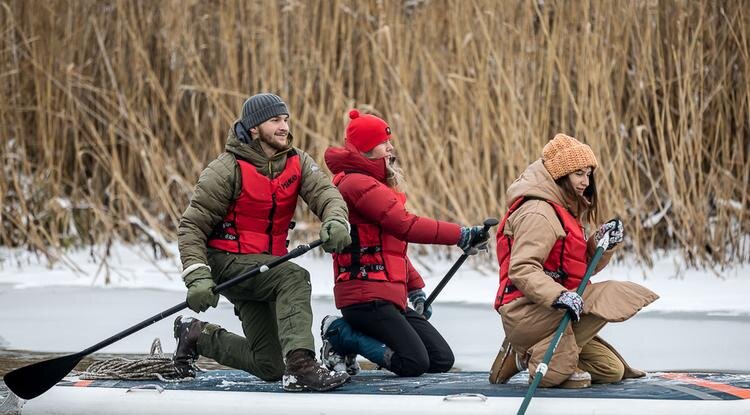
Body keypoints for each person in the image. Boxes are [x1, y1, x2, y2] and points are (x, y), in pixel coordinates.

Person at [173, 93, 353, 392]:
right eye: (275, 121)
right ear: (254, 128)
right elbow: (192, 226)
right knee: (294, 277)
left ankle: (195, 335)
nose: (284, 127)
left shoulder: (297, 161)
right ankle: (302, 368)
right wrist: (197, 274)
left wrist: (335, 220)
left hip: (266, 268)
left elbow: (326, 194)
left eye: (285, 120)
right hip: (227, 263)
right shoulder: (225, 169)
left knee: (269, 365)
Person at [318, 109, 490, 377]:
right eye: (383, 142)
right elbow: (406, 225)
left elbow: (390, 247)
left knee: (440, 359)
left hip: (386, 295)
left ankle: (354, 335)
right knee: (414, 362)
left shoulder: (373, 185)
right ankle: (340, 333)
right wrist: (461, 234)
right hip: (365, 296)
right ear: (366, 148)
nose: (390, 147)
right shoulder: (356, 184)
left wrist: (415, 289)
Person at [489, 133, 659, 388]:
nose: (585, 181)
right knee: (610, 295)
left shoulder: (563, 209)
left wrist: (603, 244)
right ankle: (526, 350)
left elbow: (575, 266)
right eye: (579, 173)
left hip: (553, 309)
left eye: (588, 173)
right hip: (528, 310)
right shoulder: (539, 213)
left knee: (610, 370)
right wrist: (559, 296)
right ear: (560, 174)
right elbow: (522, 270)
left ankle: (523, 353)